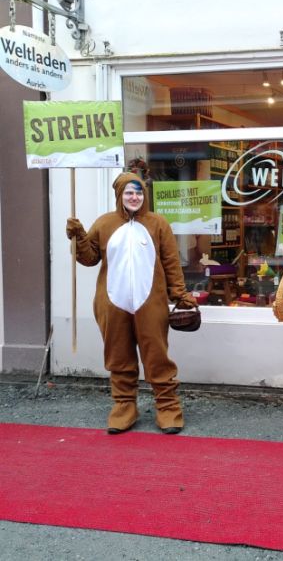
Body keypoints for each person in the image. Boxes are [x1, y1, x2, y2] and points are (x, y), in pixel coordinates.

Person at [66, 172, 197, 434]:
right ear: (119, 195)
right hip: (112, 303)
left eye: (138, 192)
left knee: (157, 355)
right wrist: (79, 236)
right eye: (129, 192)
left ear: (144, 195)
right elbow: (90, 258)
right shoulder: (104, 224)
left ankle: (168, 407)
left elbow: (171, 262)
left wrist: (180, 295)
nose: (134, 197)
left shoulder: (158, 223)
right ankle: (124, 405)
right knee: (118, 355)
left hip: (152, 303)